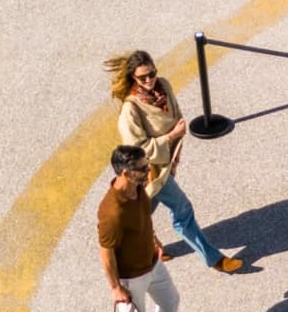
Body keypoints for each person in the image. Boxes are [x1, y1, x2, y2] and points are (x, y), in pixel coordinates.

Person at [104, 49, 244, 273]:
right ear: (133, 78)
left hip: (168, 163)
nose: (149, 80)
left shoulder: (164, 86)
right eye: (143, 77)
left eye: (152, 73)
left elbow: (176, 113)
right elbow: (137, 149)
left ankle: (142, 241)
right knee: (182, 210)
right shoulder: (131, 110)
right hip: (150, 172)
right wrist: (170, 137)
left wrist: (177, 138)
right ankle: (215, 259)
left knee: (143, 210)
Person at [98, 144, 202, 312]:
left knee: (170, 301)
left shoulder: (139, 188)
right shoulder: (112, 211)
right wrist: (116, 287)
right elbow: (106, 252)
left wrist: (153, 240)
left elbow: (144, 218)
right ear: (125, 172)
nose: (148, 170)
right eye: (143, 168)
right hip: (131, 276)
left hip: (152, 264)